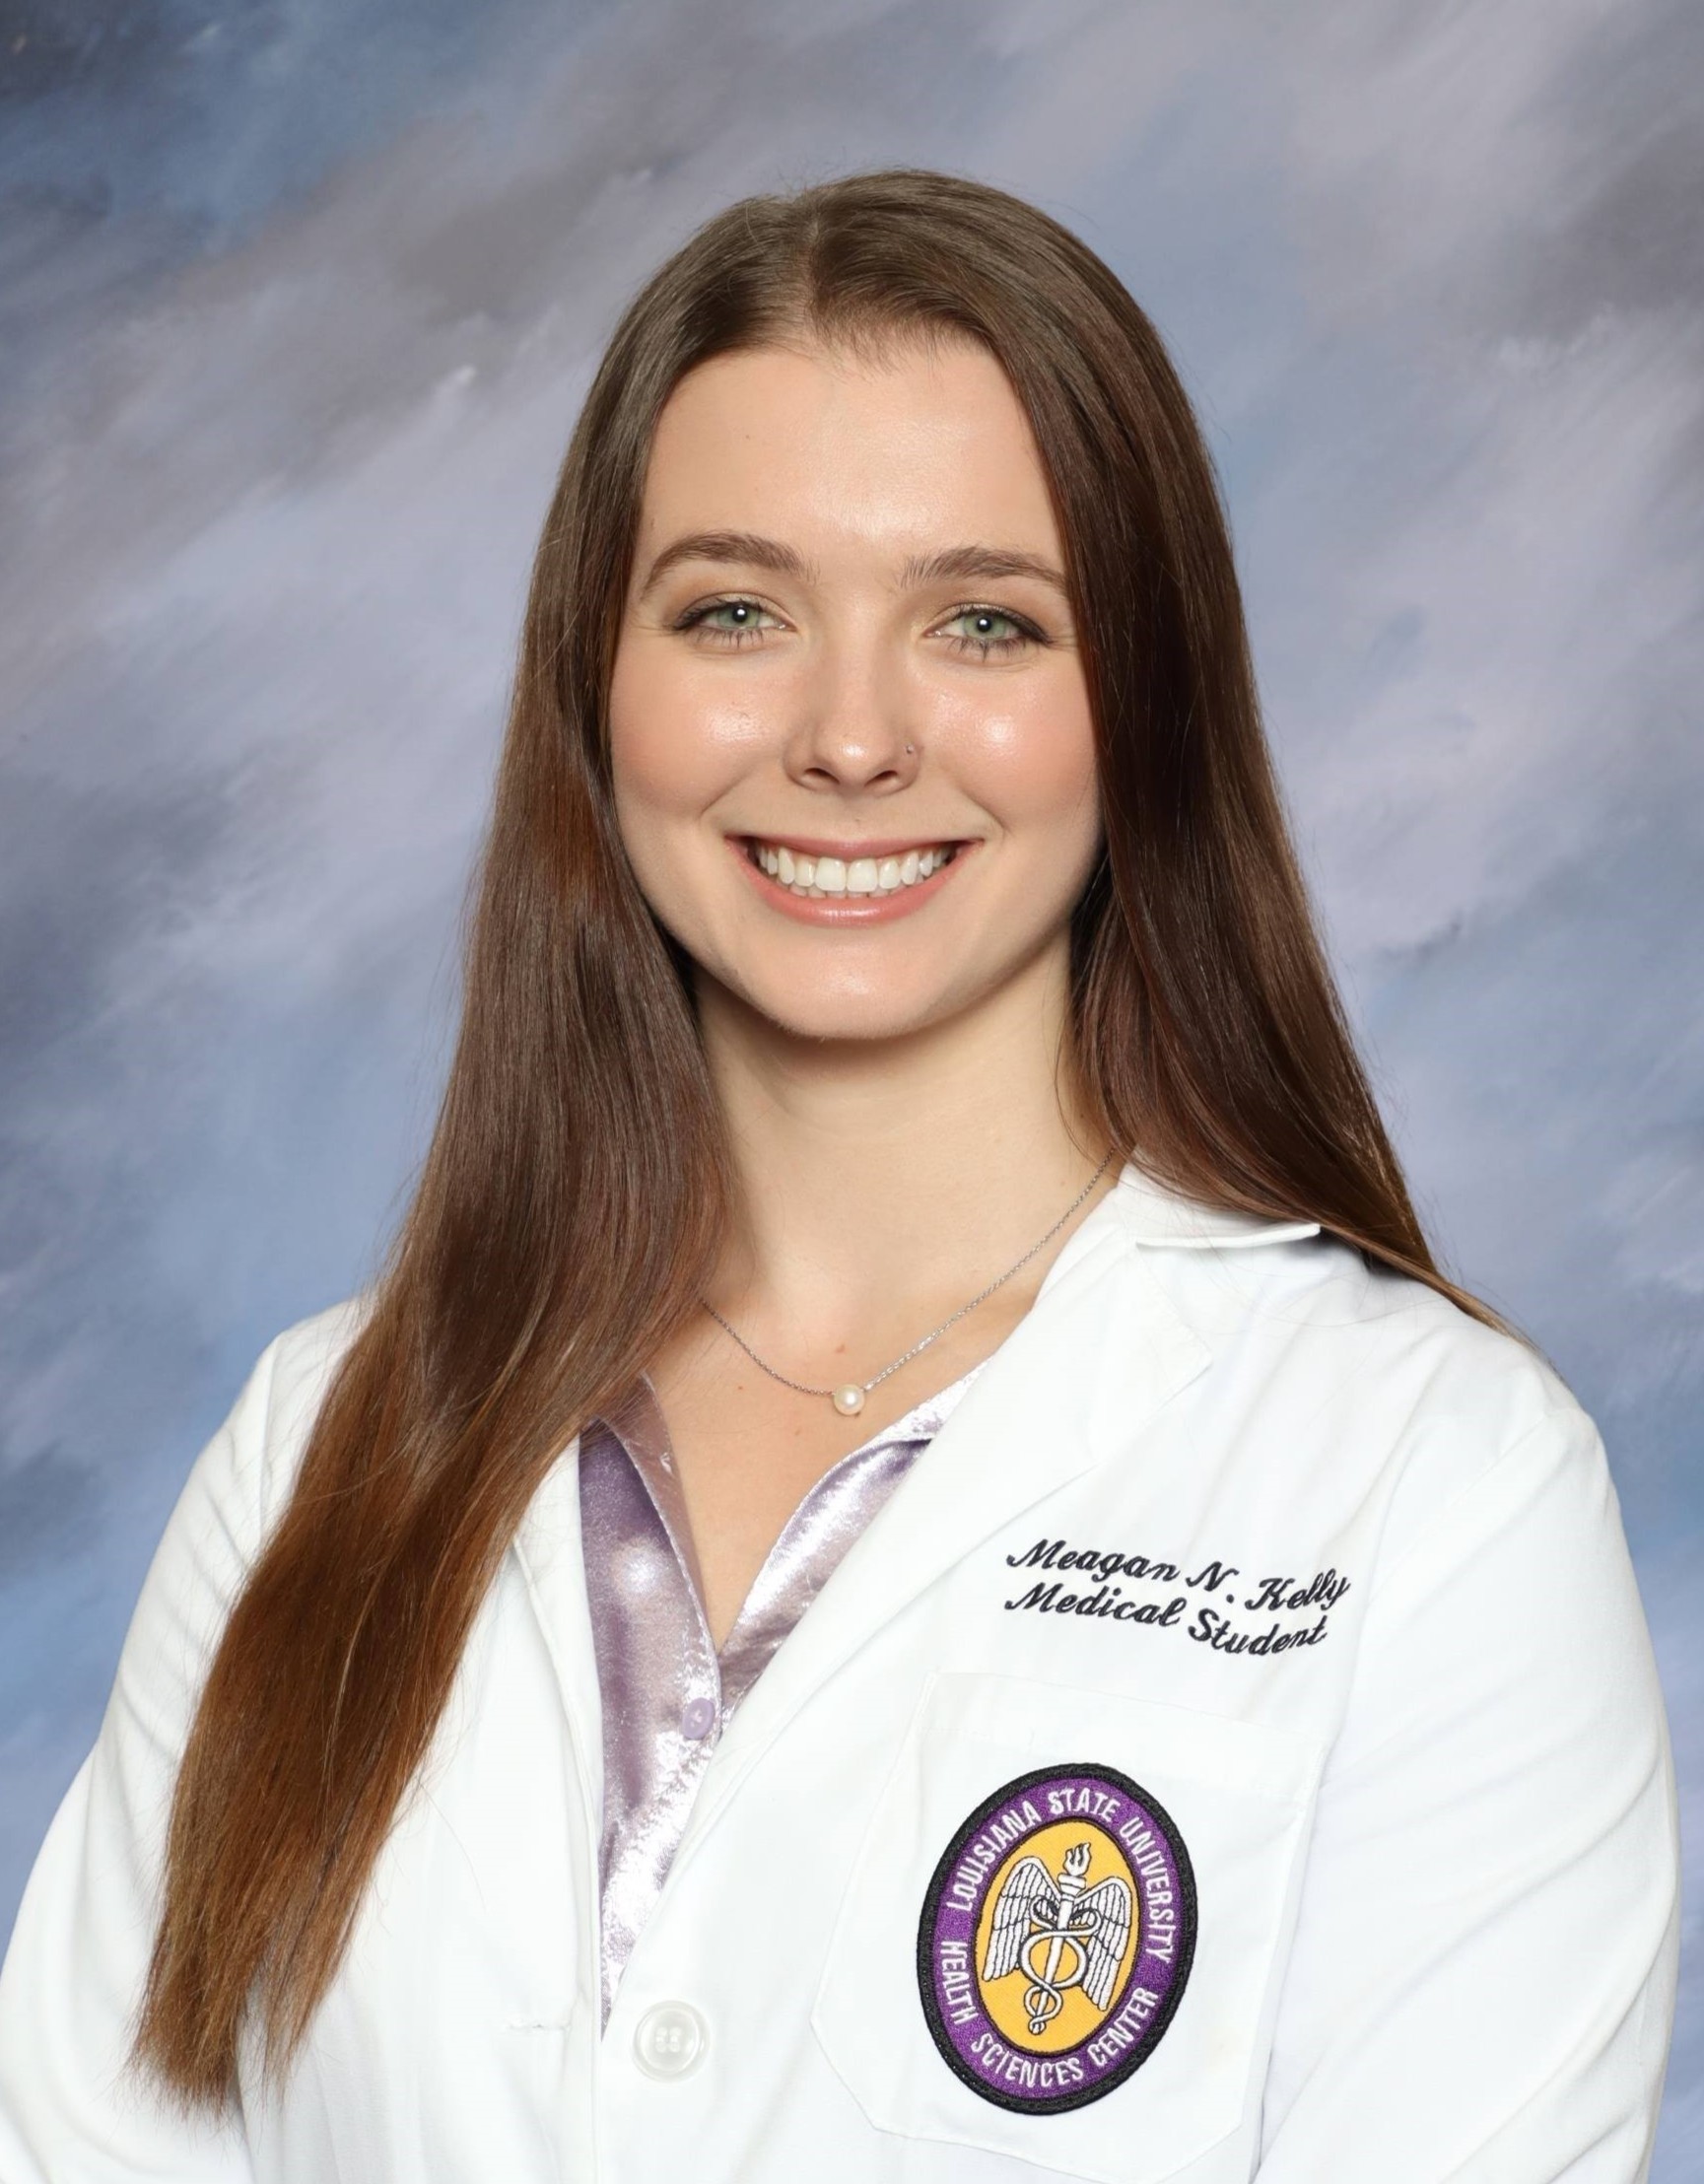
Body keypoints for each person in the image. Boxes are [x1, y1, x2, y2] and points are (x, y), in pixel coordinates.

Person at [0, 168, 1679, 2183]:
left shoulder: (1435, 1488)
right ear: (594, 692)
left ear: (1136, 705)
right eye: (735, 612)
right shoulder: (318, 1446)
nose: (853, 735)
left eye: (983, 619)